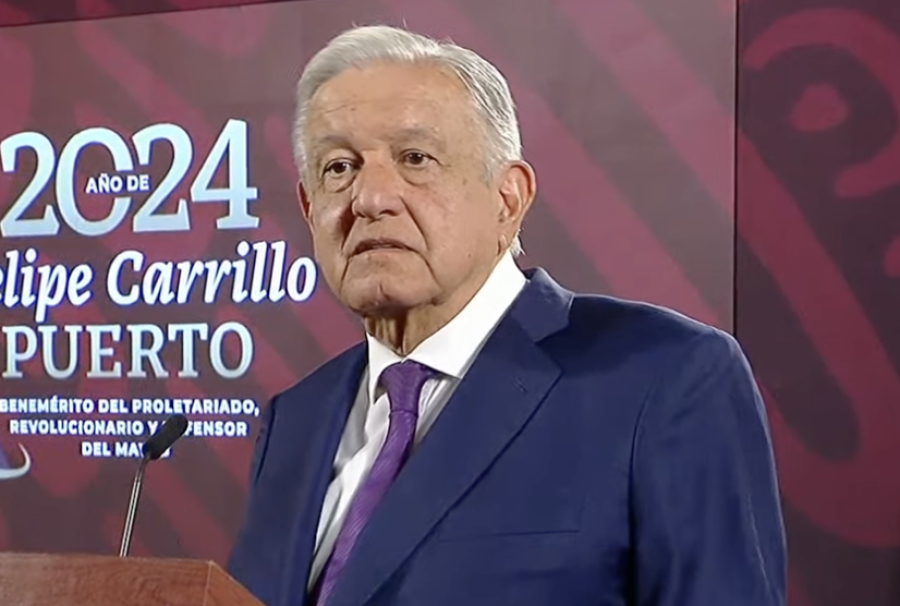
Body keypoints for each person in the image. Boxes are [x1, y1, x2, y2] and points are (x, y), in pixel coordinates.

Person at [227, 24, 786, 606]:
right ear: (308, 206)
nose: (369, 199)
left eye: (415, 158)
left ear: (508, 198)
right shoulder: (296, 420)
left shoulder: (664, 378)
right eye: (339, 168)